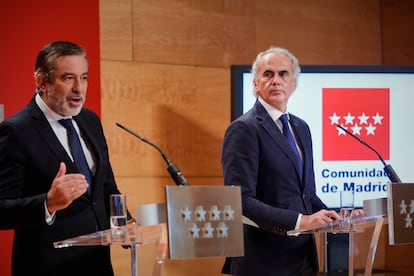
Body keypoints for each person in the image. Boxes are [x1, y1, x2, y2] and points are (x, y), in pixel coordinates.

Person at [0, 41, 131, 276]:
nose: (79, 89)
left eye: (84, 78)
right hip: (48, 267)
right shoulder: (16, 131)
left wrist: (125, 223)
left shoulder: (90, 120)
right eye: (68, 78)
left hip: (98, 263)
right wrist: (48, 203)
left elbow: (106, 186)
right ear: (41, 82)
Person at [221, 46, 341, 276]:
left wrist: (334, 217)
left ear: (293, 84)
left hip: (303, 258)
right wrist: (301, 221)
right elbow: (240, 200)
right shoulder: (244, 129)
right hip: (262, 261)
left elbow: (307, 195)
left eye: (283, 74)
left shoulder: (301, 127)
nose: (276, 80)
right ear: (255, 84)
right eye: (268, 74)